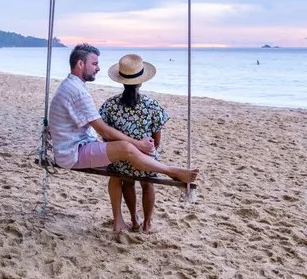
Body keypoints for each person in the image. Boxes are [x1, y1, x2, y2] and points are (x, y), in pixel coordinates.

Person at [49, 44, 198, 230]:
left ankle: (123, 220)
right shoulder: (78, 92)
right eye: (94, 63)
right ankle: (170, 173)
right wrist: (141, 145)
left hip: (74, 146)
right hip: (73, 152)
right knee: (127, 151)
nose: (98, 68)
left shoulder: (80, 89)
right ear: (80, 64)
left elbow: (103, 131)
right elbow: (104, 131)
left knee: (118, 166)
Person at [100, 54, 169, 233]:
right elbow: (156, 141)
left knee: (128, 182)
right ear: (141, 81)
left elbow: (105, 136)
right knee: (147, 183)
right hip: (144, 159)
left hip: (121, 161)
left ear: (121, 81)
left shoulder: (110, 104)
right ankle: (147, 223)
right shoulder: (152, 105)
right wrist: (146, 150)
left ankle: (133, 219)